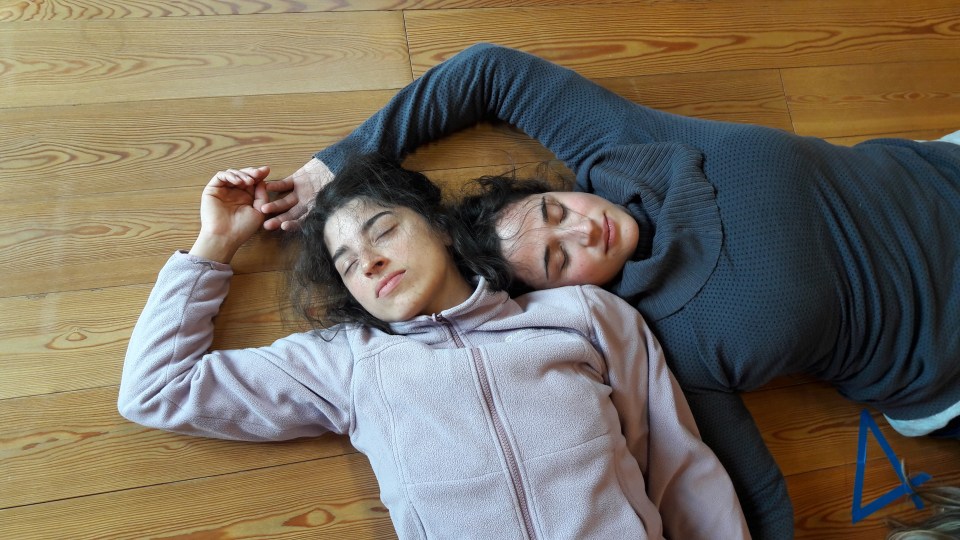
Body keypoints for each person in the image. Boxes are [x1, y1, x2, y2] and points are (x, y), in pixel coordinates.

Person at [256, 43, 960, 539]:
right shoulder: (659, 342)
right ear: (563, 294)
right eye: (559, 259)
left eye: (555, 212)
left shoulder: (624, 150)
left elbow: (488, 72)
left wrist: (331, 170)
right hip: (945, 372)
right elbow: (743, 493)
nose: (583, 231)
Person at [118, 155, 750, 539]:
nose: (369, 261)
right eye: (347, 264)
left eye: (383, 230)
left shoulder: (582, 315)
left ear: (442, 230)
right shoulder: (345, 363)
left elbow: (676, 464)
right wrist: (216, 243)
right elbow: (156, 389)